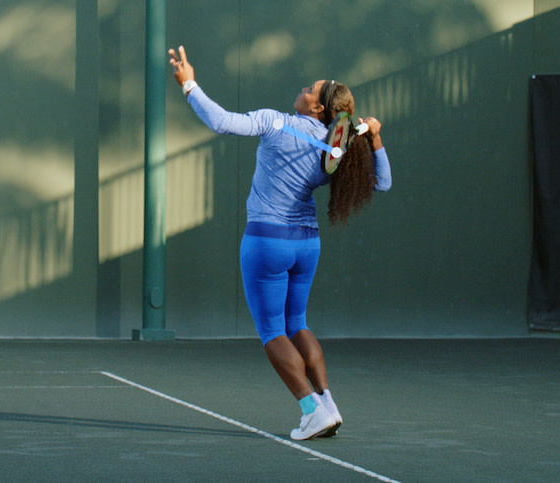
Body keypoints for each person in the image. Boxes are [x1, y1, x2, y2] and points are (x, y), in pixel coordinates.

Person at [168, 44, 392, 441]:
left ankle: (310, 410)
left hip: (267, 241)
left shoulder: (275, 122)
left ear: (318, 108)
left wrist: (189, 86)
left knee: (273, 331)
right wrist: (374, 137)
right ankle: (327, 404)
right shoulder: (339, 147)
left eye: (310, 88)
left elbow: (221, 121)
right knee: (297, 325)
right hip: (306, 245)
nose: (303, 89)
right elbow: (383, 183)